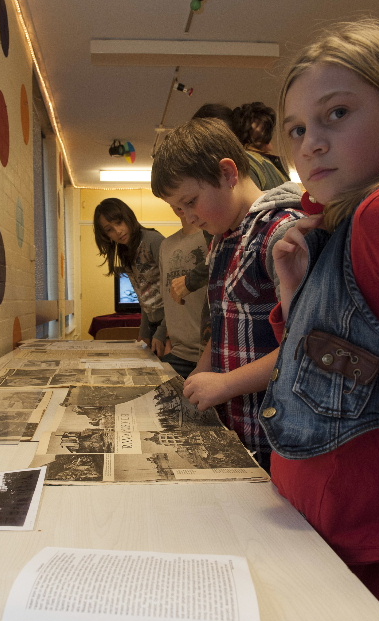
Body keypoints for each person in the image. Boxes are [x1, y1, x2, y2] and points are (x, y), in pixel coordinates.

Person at [259, 18, 379, 618]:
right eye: (296, 128)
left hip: (371, 551)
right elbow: (336, 364)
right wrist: (294, 290)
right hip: (324, 541)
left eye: (336, 113)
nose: (309, 142)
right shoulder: (341, 230)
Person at [151, 117, 305, 470]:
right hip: (238, 430)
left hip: (274, 436)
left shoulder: (280, 234)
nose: (188, 218)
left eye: (191, 201)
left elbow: (305, 345)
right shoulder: (223, 240)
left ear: (228, 173)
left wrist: (224, 384)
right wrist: (198, 379)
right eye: (177, 209)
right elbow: (224, 328)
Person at [168, 102, 289, 308]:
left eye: (191, 201)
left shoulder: (236, 174)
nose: (190, 217)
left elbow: (222, 261)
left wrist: (191, 283)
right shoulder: (269, 164)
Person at [93, 198, 165, 354]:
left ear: (128, 217)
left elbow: (174, 293)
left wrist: (162, 332)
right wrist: (144, 333)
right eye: (109, 229)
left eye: (119, 222)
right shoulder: (125, 252)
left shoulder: (153, 240)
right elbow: (143, 296)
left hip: (171, 326)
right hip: (153, 325)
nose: (117, 231)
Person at [158, 210, 210, 378]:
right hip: (178, 353)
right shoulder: (166, 245)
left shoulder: (213, 238)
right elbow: (167, 298)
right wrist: (165, 336)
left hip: (211, 356)